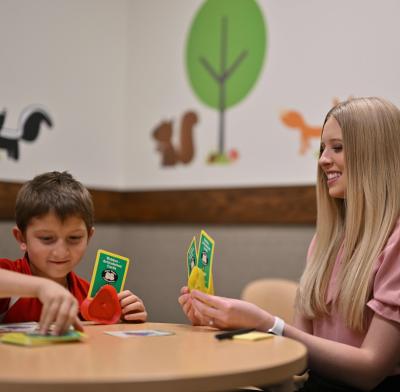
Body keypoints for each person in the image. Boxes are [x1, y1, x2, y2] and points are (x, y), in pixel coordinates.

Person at [179, 97, 400, 391]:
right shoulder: (325, 241)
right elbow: (299, 356)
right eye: (322, 149)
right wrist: (227, 325)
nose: (322, 159)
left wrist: (268, 324)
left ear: (375, 155)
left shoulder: (395, 242)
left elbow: (370, 368)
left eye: (337, 147)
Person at [0, 171, 147, 334]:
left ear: (89, 237)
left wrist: (123, 320)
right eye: (47, 238)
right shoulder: (9, 273)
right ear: (21, 238)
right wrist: (41, 287)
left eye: (74, 238)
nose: (60, 252)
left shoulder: (90, 296)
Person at [0, 268, 83, 335]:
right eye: (47, 245)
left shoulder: (86, 292)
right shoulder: (7, 268)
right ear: (24, 245)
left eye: (73, 245)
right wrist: (41, 286)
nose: (59, 253)